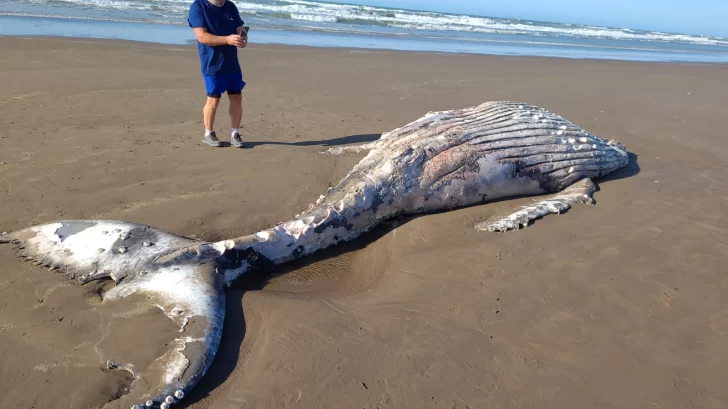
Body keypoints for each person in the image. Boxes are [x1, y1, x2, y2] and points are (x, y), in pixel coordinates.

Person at [187, 0, 248, 148]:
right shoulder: (199, 6)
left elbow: (240, 29)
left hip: (231, 62)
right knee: (213, 99)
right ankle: (208, 133)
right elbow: (202, 37)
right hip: (212, 62)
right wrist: (227, 39)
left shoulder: (230, 6)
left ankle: (235, 133)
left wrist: (243, 39)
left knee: (236, 97)